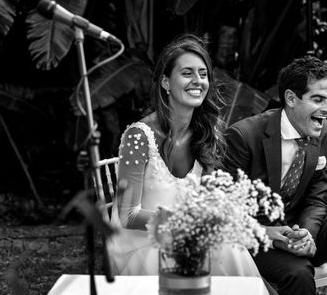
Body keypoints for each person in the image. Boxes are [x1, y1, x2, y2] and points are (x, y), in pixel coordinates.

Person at [110, 33, 260, 276]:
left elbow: (207, 202)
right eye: (187, 73)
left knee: (230, 249)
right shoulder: (138, 137)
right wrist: (186, 223)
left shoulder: (204, 133)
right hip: (142, 244)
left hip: (185, 235)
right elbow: (128, 215)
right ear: (166, 83)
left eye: (203, 74)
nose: (197, 81)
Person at [223, 54, 327, 295]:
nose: (326, 108)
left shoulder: (317, 132)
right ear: (291, 99)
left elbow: (317, 196)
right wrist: (272, 234)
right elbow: (224, 208)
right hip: (250, 239)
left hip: (296, 230)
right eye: (318, 99)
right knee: (297, 274)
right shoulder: (244, 137)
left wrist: (307, 233)